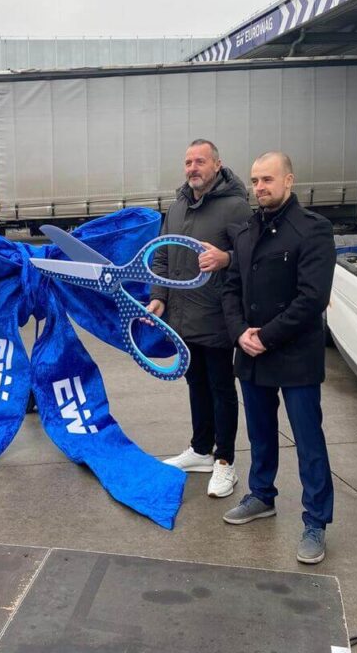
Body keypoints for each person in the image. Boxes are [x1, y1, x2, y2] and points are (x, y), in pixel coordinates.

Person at [221, 152, 336, 564]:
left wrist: (265, 337)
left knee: (308, 441)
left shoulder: (312, 230)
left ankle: (315, 521)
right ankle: (261, 495)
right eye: (254, 181)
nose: (259, 188)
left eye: (267, 179)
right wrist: (239, 333)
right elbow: (230, 289)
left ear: (289, 180)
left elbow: (312, 298)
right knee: (260, 433)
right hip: (252, 354)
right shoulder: (246, 231)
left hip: (295, 355)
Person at [146, 139, 252, 498]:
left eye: (200, 161)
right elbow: (161, 256)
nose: (193, 168)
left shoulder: (235, 206)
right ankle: (201, 449)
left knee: (221, 389)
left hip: (218, 316)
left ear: (217, 165)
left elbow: (254, 255)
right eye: (188, 162)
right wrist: (159, 297)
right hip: (182, 317)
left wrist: (226, 259)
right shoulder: (177, 207)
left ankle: (225, 461)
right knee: (196, 384)